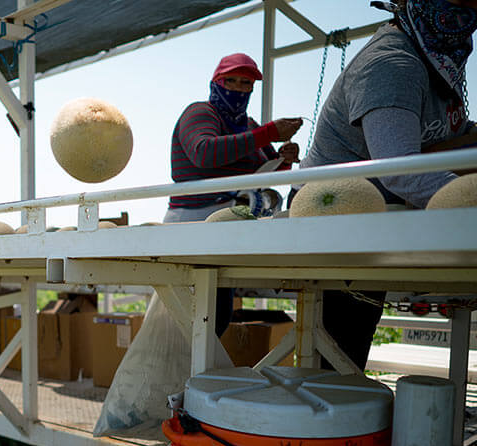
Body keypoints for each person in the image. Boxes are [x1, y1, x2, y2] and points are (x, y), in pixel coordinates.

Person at [297, 0, 477, 371]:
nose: (465, 13)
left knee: (350, 341)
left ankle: (336, 408)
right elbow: (401, 171)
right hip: (331, 217)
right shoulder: (393, 66)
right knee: (340, 347)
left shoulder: (437, 63)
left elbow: (441, 145)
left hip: (376, 216)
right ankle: (325, 417)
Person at [165, 53, 302, 336]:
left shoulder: (249, 126)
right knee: (187, 317)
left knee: (217, 315)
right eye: (232, 81)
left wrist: (283, 159)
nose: (239, 89)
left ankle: (198, 374)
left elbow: (261, 169)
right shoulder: (200, 113)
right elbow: (204, 152)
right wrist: (268, 133)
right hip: (194, 224)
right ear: (216, 82)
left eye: (246, 83)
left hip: (228, 227)